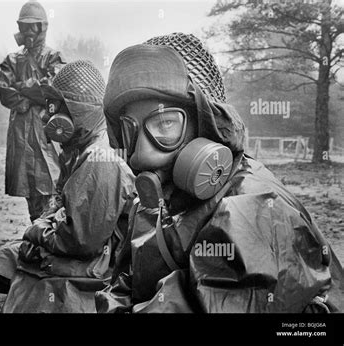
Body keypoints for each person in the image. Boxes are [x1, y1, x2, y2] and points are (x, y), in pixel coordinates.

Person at [95, 33, 344, 313]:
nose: (141, 152)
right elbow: (126, 286)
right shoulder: (157, 204)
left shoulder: (252, 209)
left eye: (165, 123)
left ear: (208, 122)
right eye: (131, 128)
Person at [0, 60, 136, 312]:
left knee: (32, 280)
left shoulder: (100, 158)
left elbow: (80, 242)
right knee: (3, 256)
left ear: (78, 110)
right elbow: (59, 203)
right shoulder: (79, 148)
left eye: (54, 106)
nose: (46, 115)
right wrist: (45, 226)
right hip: (88, 248)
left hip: (103, 263)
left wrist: (37, 232)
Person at [0, 1, 65, 223]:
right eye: (24, 27)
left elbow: (53, 89)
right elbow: (4, 90)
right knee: (29, 187)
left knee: (51, 185)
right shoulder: (12, 60)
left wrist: (22, 86)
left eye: (33, 26)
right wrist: (25, 97)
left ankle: (51, 235)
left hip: (46, 129)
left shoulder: (53, 57)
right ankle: (36, 233)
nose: (28, 32)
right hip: (20, 131)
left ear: (42, 27)